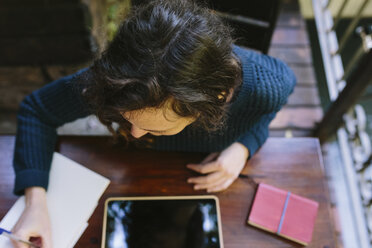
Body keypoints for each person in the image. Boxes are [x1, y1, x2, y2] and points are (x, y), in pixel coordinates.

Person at [10, 0, 296, 247]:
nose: (134, 135)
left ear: (211, 102)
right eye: (127, 119)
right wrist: (36, 202)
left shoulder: (267, 87)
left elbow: (265, 113)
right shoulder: (115, 82)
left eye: (156, 128)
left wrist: (245, 146)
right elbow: (37, 110)